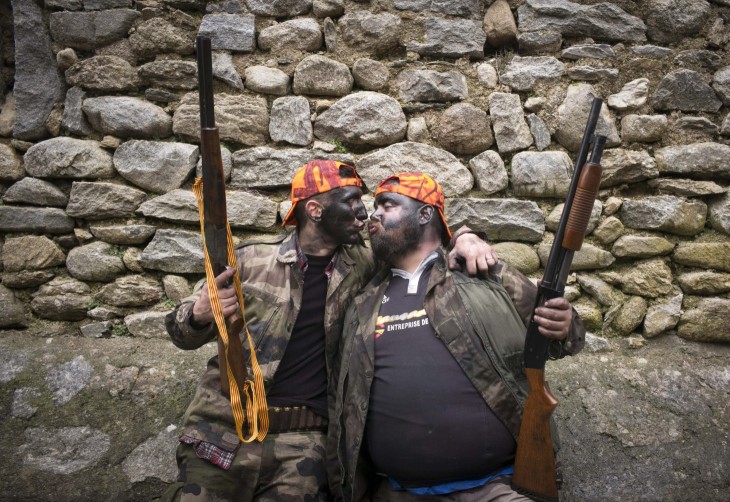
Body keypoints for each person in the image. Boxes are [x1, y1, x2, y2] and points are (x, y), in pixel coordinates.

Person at [160, 160, 497, 502]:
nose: (363, 213)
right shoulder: (248, 262)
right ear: (315, 209)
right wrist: (200, 314)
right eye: (351, 202)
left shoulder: (367, 265)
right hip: (223, 433)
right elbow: (179, 332)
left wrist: (467, 237)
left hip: (304, 445)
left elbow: (418, 241)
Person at [329, 172, 585, 501]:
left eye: (388, 205)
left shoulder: (485, 274)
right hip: (397, 492)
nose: (374, 214)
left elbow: (569, 337)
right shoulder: (363, 302)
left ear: (425, 214)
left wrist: (564, 323)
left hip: (497, 489)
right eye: (374, 206)